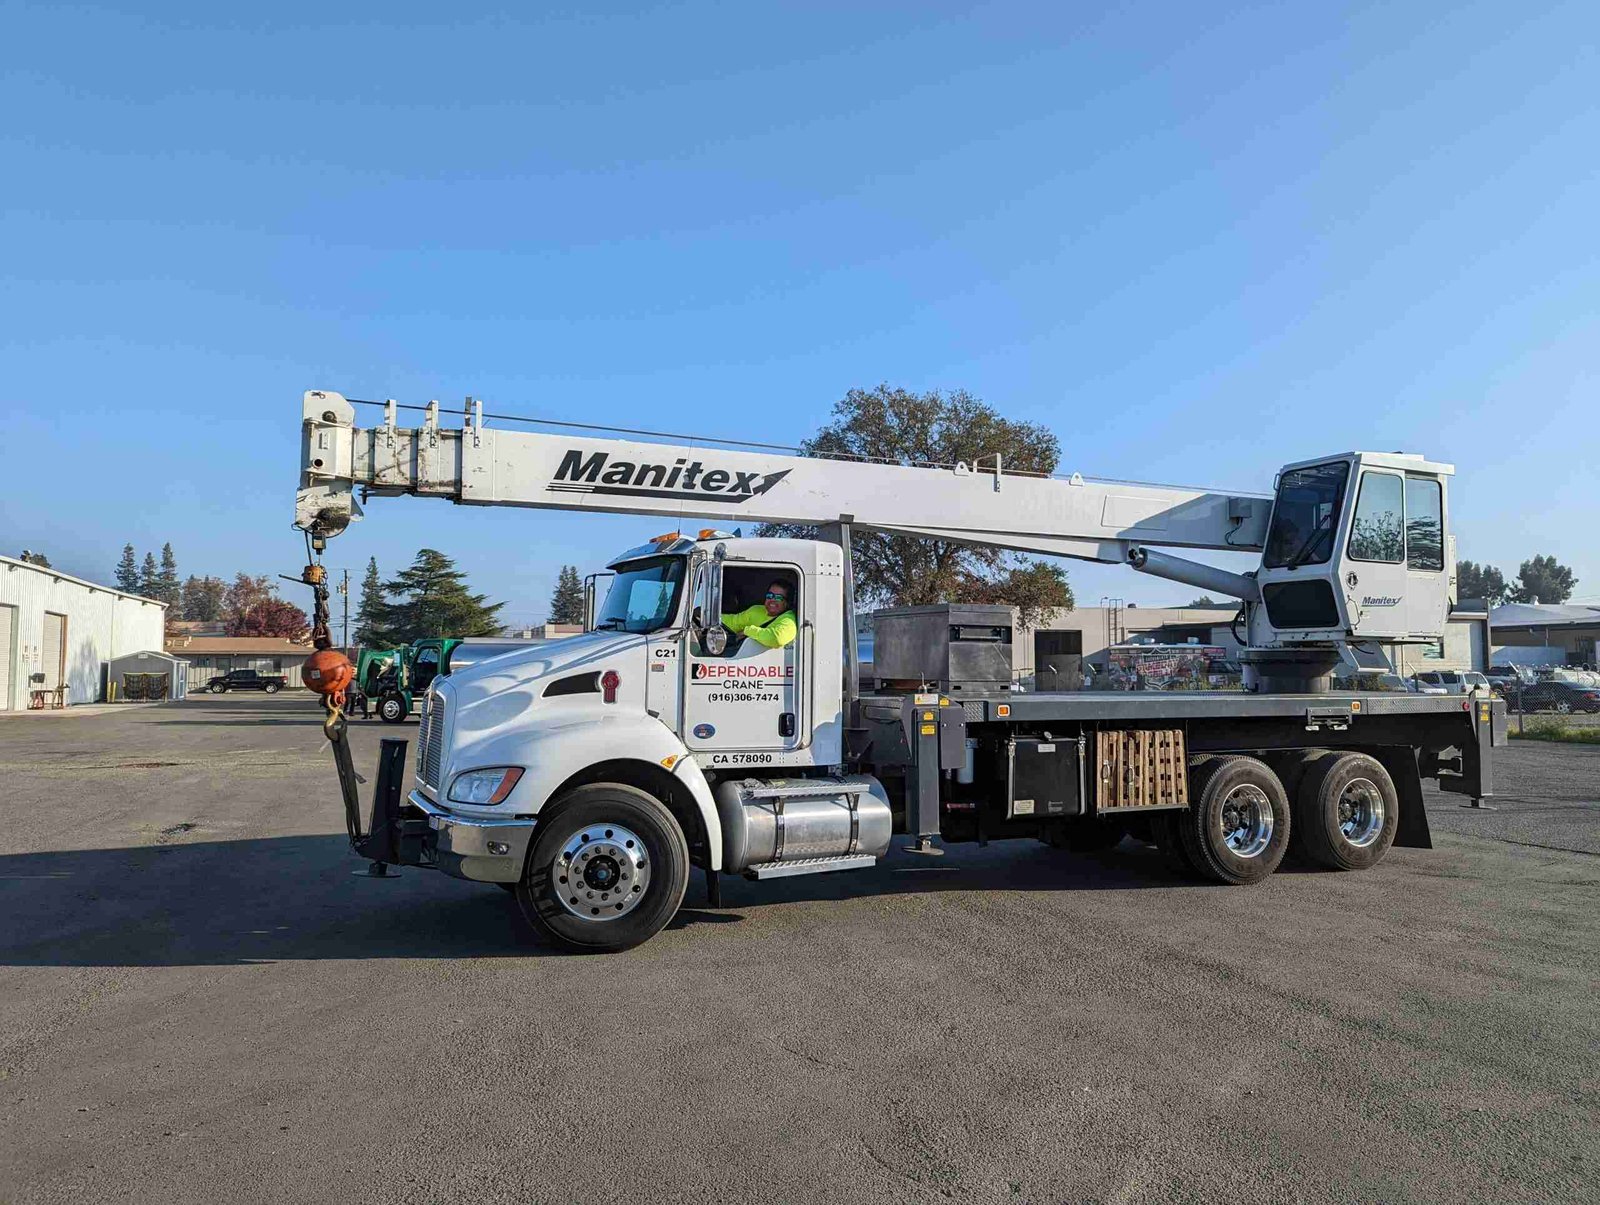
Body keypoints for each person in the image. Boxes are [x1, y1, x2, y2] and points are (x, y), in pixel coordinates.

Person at [722, 580, 797, 650]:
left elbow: (777, 639)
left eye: (778, 597)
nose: (772, 600)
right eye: (769, 595)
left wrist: (747, 631)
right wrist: (712, 618)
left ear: (787, 603)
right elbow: (733, 622)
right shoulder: (757, 610)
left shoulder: (789, 620)